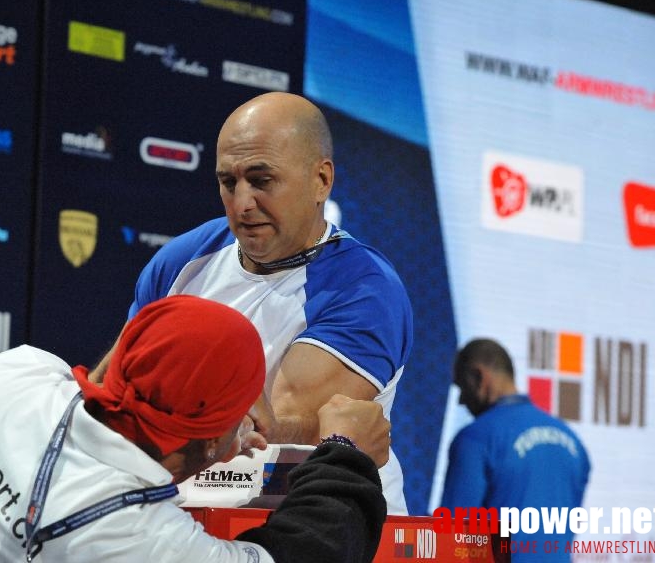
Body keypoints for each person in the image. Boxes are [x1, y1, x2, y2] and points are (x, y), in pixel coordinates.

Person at [0, 295, 391, 562]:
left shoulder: (15, 369)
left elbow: (100, 379)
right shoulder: (128, 536)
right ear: (215, 438)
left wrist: (206, 434)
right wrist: (345, 454)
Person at [90, 91, 413, 514]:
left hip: (319, 527)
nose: (242, 204)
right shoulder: (182, 260)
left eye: (262, 181)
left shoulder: (365, 288)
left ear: (322, 181)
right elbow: (110, 391)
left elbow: (277, 426)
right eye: (229, 182)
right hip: (191, 522)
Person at [441, 338, 591, 561]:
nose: (462, 400)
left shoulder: (476, 438)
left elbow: (451, 537)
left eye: (461, 387)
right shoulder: (573, 443)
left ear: (478, 376)